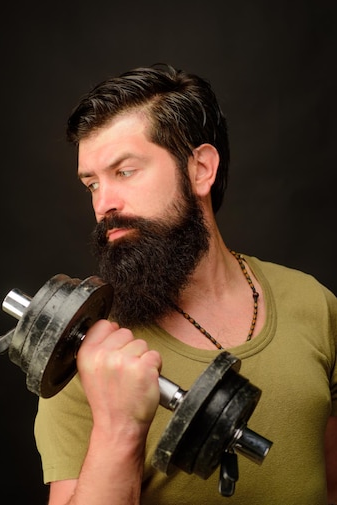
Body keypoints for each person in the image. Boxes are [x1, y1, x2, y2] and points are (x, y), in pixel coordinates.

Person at [32, 64, 337, 504]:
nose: (104, 204)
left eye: (125, 172)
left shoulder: (314, 303)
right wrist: (119, 425)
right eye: (92, 185)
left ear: (200, 170)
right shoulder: (87, 349)